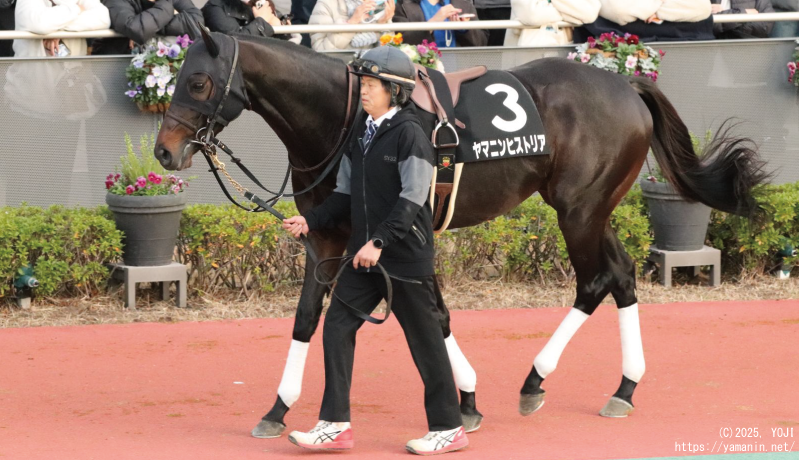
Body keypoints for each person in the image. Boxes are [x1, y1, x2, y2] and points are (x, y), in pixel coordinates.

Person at [282, 46, 468, 456]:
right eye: (362, 84)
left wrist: (379, 241)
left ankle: (448, 428)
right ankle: (335, 425)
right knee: (336, 328)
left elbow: (413, 198)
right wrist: (310, 221)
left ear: (394, 90)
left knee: (425, 342)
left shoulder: (410, 134)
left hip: (403, 257)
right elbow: (345, 194)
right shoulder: (361, 133)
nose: (363, 93)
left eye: (371, 86)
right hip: (363, 258)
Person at [92, 0, 203, 55]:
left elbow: (196, 22)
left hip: (163, 72)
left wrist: (148, 25)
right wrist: (167, 8)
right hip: (115, 69)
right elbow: (136, 29)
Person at [12, 0, 110, 58]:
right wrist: (77, 9)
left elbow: (104, 19)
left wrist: (58, 30)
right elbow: (40, 24)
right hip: (31, 83)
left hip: (71, 83)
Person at [394, 0, 488, 48]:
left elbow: (482, 43)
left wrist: (464, 29)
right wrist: (433, 22)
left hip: (460, 70)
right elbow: (402, 43)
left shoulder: (463, 3)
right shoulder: (403, 4)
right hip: (423, 72)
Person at [308, 0, 395, 51]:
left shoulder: (379, 5)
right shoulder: (326, 3)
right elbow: (320, 50)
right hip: (338, 72)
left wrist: (382, 25)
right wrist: (352, 22)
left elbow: (389, 53)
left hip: (370, 72)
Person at [710, 0, 775, 38]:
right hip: (716, 49)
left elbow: (765, 26)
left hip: (750, 48)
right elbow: (706, 25)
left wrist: (725, 14)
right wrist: (744, 14)